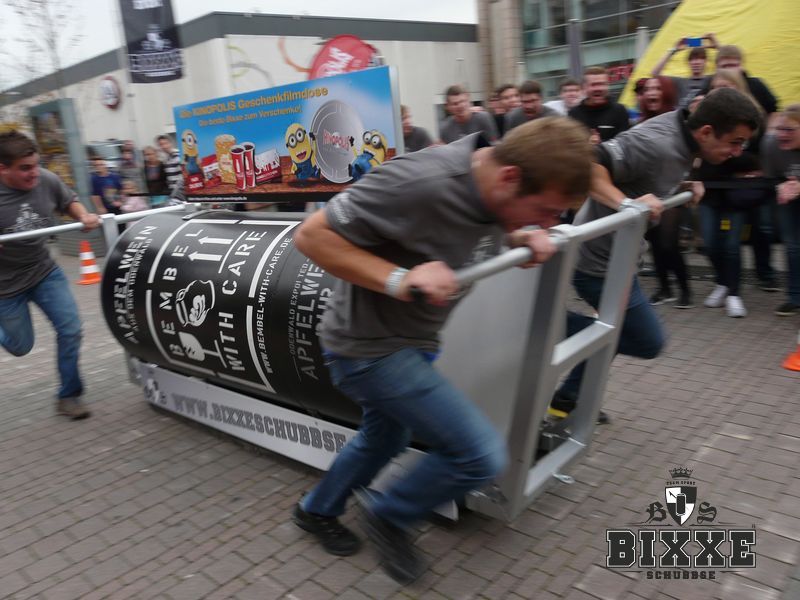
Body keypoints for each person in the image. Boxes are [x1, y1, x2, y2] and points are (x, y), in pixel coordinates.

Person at [291, 117, 594, 584]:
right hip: (369, 350)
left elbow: (466, 229)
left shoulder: (493, 189)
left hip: (415, 342)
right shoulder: (419, 182)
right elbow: (311, 236)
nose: (551, 223)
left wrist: (518, 234)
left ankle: (316, 510)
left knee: (385, 439)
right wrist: (400, 279)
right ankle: (389, 516)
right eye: (547, 211)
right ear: (510, 177)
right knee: (480, 454)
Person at [552, 88, 761, 420]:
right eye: (735, 142)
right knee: (645, 340)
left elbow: (651, 176)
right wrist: (627, 205)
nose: (738, 152)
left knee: (612, 331)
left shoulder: (686, 135)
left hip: (621, 260)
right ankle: (549, 326)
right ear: (707, 131)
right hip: (598, 264)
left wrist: (683, 186)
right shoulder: (656, 142)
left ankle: (568, 400)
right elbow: (590, 164)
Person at [0, 130, 101, 418]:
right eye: (25, 168)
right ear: (3, 169)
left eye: (35, 165)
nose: (34, 173)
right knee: (21, 347)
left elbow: (68, 200)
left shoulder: (45, 179)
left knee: (71, 330)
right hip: (5, 286)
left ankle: (69, 396)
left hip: (43, 271)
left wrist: (83, 216)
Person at [694, 72, 766, 318]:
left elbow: (755, 159)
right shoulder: (702, 120)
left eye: (726, 86)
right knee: (711, 243)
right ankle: (723, 283)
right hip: (709, 191)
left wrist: (730, 156)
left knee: (732, 245)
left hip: (736, 194)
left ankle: (734, 293)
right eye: (715, 87)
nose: (720, 91)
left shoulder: (749, 121)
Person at [762, 105, 800, 316]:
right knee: (792, 246)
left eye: (789, 130)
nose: (782, 135)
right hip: (787, 195)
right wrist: (780, 186)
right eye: (780, 129)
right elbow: (769, 178)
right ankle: (795, 297)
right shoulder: (770, 144)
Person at [651, 33, 718, 108]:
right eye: (692, 59)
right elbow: (654, 74)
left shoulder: (712, 80)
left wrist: (717, 45)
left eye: (700, 58)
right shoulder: (679, 82)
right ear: (688, 62)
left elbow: (728, 67)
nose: (696, 62)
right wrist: (673, 50)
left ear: (706, 61)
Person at [568, 66, 630, 143]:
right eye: (593, 85)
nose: (598, 89)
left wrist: (601, 144)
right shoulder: (574, 114)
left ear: (607, 86)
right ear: (584, 87)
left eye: (602, 84)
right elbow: (570, 144)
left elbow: (625, 143)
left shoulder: (619, 111)